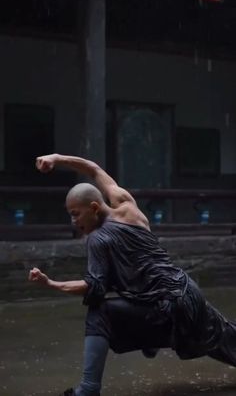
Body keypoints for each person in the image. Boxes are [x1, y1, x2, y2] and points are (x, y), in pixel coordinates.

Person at [29, 153, 236, 396]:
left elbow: (95, 287)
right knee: (225, 338)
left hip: (166, 308)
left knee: (101, 313)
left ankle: (88, 390)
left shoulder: (98, 239)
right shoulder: (127, 205)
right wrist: (56, 158)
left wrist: (51, 283)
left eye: (76, 213)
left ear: (94, 208)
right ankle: (149, 340)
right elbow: (94, 169)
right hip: (189, 293)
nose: (73, 220)